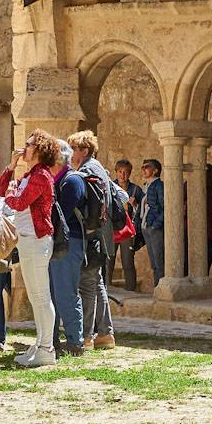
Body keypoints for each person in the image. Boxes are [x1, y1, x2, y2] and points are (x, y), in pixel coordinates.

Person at [0, 130, 57, 367]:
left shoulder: (41, 176)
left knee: (41, 297)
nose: (25, 147)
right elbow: (4, 191)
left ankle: (47, 348)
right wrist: (11, 167)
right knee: (35, 297)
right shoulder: (30, 174)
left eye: (29, 144)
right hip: (27, 240)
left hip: (37, 240)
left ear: (39, 149)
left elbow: (18, 202)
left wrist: (11, 192)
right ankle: (41, 344)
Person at [69, 130, 124, 350]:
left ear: (84, 150)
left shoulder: (87, 171)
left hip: (92, 237)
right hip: (102, 236)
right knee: (96, 282)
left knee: (87, 286)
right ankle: (105, 334)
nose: (71, 153)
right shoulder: (99, 169)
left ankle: (86, 336)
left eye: (73, 148)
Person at [49, 139, 87, 356]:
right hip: (57, 243)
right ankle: (52, 340)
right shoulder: (58, 180)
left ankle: (75, 341)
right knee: (53, 294)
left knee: (66, 294)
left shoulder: (71, 181)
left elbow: (60, 215)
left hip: (69, 242)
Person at [181, 163, 212, 275]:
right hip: (192, 232)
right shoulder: (190, 186)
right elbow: (179, 201)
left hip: (206, 234)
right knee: (189, 266)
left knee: (202, 268)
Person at [111, 158, 144, 291]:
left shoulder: (136, 190)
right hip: (112, 229)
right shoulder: (110, 187)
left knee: (128, 262)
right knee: (109, 261)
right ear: (116, 172)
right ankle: (107, 289)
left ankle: (131, 290)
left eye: (125, 172)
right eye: (120, 172)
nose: (122, 175)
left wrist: (135, 205)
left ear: (129, 173)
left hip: (127, 230)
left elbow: (145, 209)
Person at [141, 158, 165, 288]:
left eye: (147, 167)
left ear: (155, 171)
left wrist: (156, 225)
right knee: (154, 263)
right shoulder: (147, 186)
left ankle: (160, 289)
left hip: (154, 228)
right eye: (143, 167)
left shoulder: (158, 186)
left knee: (159, 261)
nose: (143, 169)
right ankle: (157, 289)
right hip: (147, 227)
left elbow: (164, 207)